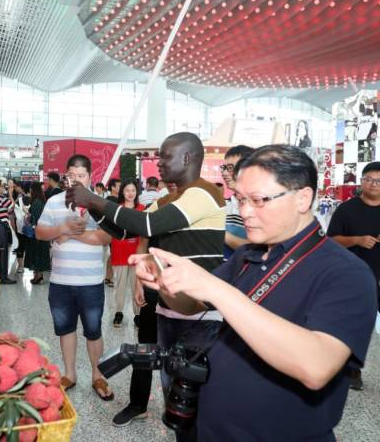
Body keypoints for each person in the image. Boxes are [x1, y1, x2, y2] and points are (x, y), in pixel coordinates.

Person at [132, 145, 377, 442]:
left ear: (303, 198)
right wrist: (166, 283)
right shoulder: (248, 255)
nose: (245, 212)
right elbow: (192, 305)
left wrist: (216, 288)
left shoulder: (346, 273)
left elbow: (316, 366)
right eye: (240, 200)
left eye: (259, 200)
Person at [65, 132, 225, 439]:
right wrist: (91, 205)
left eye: (166, 156)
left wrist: (94, 199)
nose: (159, 163)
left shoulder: (203, 193)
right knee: (177, 401)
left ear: (188, 158)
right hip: (169, 307)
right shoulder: (167, 200)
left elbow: (146, 225)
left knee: (197, 403)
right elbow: (126, 231)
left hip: (200, 315)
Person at [36, 155, 114, 401]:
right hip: (60, 281)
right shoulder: (54, 202)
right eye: (72, 175)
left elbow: (104, 238)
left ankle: (98, 375)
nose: (76, 180)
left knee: (94, 330)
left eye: (81, 176)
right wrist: (61, 229)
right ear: (65, 176)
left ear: (90, 177)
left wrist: (69, 234)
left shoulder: (99, 204)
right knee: (65, 329)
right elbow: (39, 232)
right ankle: (69, 374)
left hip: (91, 281)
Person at [327, 161, 380, 391]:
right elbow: (331, 240)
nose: (373, 184)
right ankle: (353, 369)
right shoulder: (346, 210)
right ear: (361, 181)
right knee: (357, 325)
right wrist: (357, 240)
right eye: (369, 179)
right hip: (356, 278)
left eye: (378, 181)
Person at [110, 179, 145, 327]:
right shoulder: (116, 209)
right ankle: (118, 312)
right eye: (127, 190)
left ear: (137, 192)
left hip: (137, 252)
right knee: (120, 285)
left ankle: (138, 314)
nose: (130, 193)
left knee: (137, 285)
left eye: (133, 190)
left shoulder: (142, 208)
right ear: (122, 192)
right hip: (120, 251)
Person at [221, 145, 255, 258]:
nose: (225, 173)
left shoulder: (261, 207)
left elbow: (258, 250)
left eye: (230, 168)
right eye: (224, 168)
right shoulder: (223, 204)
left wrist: (221, 234)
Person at [24, 182, 51, 284]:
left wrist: (28, 215)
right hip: (43, 231)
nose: (30, 191)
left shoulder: (36, 202)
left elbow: (35, 218)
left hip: (37, 232)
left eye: (31, 189)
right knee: (40, 252)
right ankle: (37, 275)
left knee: (36, 253)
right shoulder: (42, 200)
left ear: (33, 190)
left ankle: (38, 276)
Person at [105, 178, 122, 287]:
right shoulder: (114, 201)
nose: (121, 188)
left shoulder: (107, 199)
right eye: (119, 186)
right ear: (113, 187)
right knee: (114, 254)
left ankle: (108, 276)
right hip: (114, 230)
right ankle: (111, 278)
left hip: (109, 230)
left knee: (112, 253)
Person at [13, 181, 30, 274]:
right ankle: (23, 266)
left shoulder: (21, 199)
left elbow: (12, 209)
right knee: (23, 245)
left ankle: (21, 266)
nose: (15, 188)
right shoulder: (22, 197)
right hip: (28, 226)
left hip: (22, 225)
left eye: (16, 186)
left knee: (21, 245)